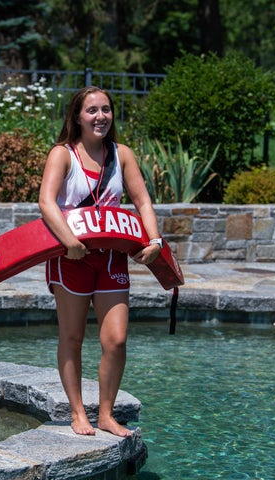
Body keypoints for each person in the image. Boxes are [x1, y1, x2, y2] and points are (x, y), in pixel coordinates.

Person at [38, 86, 163, 437]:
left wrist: (155, 241)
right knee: (73, 337)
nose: (100, 117)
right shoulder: (62, 154)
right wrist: (69, 242)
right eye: (92, 110)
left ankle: (106, 415)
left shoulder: (121, 154)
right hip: (70, 258)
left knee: (116, 339)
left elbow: (143, 202)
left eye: (106, 109)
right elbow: (47, 202)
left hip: (111, 259)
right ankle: (78, 413)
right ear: (77, 116)